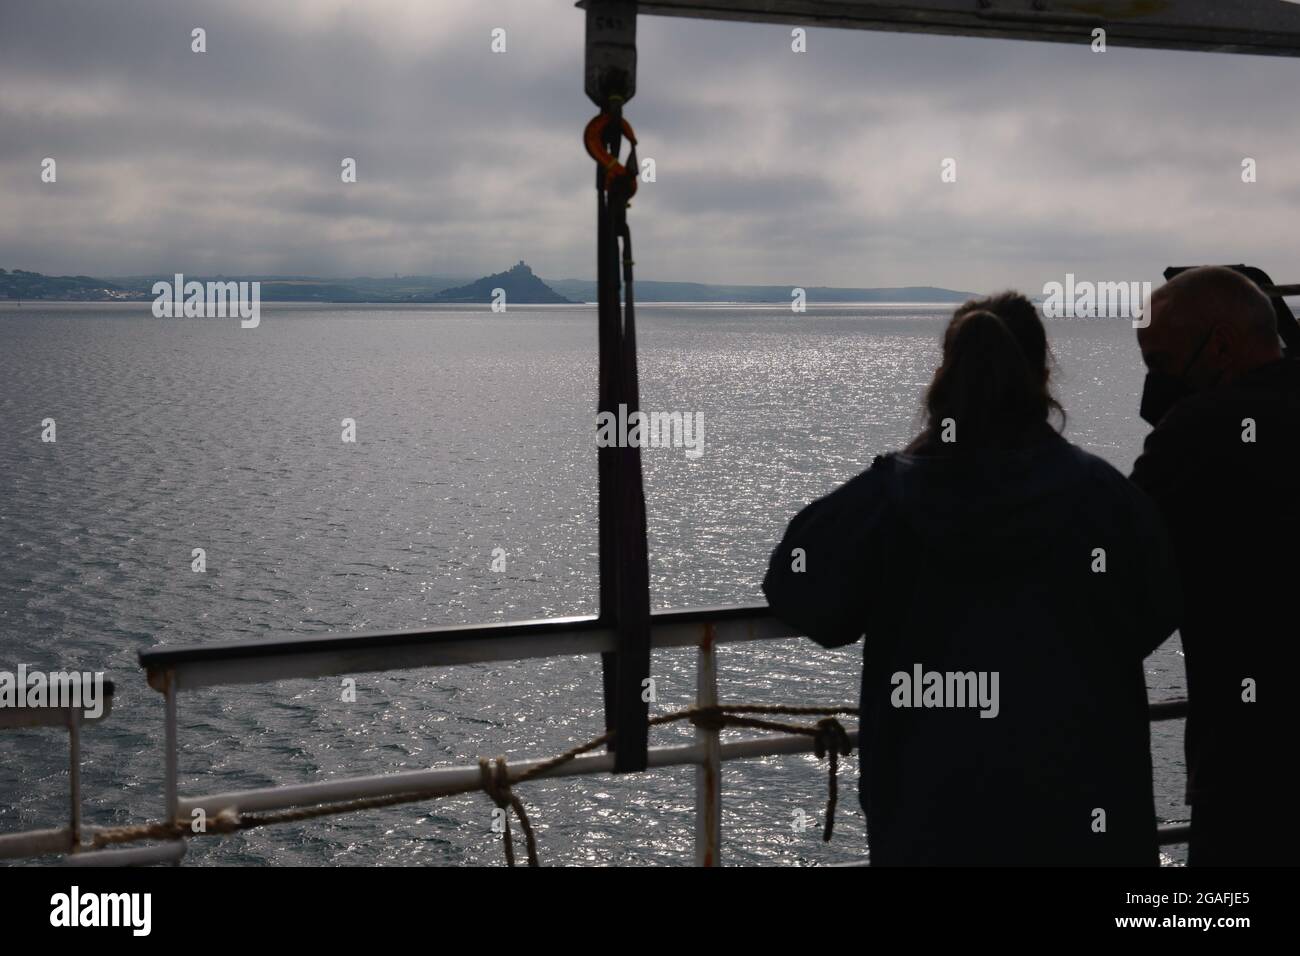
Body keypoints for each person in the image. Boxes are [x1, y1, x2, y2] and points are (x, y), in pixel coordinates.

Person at [763, 293, 1179, 865]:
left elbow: (799, 590)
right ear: (1042, 375)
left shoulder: (890, 499)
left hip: (933, 820)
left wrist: (921, 452)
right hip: (1085, 813)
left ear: (944, 376)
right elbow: (1155, 607)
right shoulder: (1106, 498)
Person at [1130, 266, 1300, 866]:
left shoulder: (1197, 433)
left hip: (1251, 776)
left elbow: (1121, 582)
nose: (1153, 386)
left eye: (1159, 362)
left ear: (1221, 346)